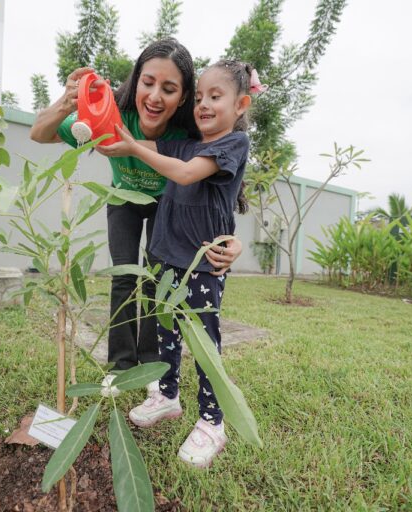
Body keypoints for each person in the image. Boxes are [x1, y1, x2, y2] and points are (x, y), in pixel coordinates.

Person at [29, 40, 243, 395]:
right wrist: (67, 101)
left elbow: (225, 181)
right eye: (148, 82)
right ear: (136, 81)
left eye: (169, 88)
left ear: (184, 96)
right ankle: (121, 365)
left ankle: (152, 366)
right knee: (125, 276)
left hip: (168, 205)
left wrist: (233, 239)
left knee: (157, 280)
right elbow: (39, 133)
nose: (155, 96)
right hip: (123, 198)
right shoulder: (110, 113)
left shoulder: (189, 132)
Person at [110, 60, 265, 468]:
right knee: (166, 336)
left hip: (201, 263)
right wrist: (113, 124)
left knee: (203, 345)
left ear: (241, 103)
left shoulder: (233, 144)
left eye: (216, 97)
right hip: (164, 259)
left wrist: (131, 147)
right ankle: (166, 395)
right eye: (199, 97)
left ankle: (213, 423)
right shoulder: (184, 142)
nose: (204, 104)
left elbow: (183, 174)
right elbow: (149, 144)